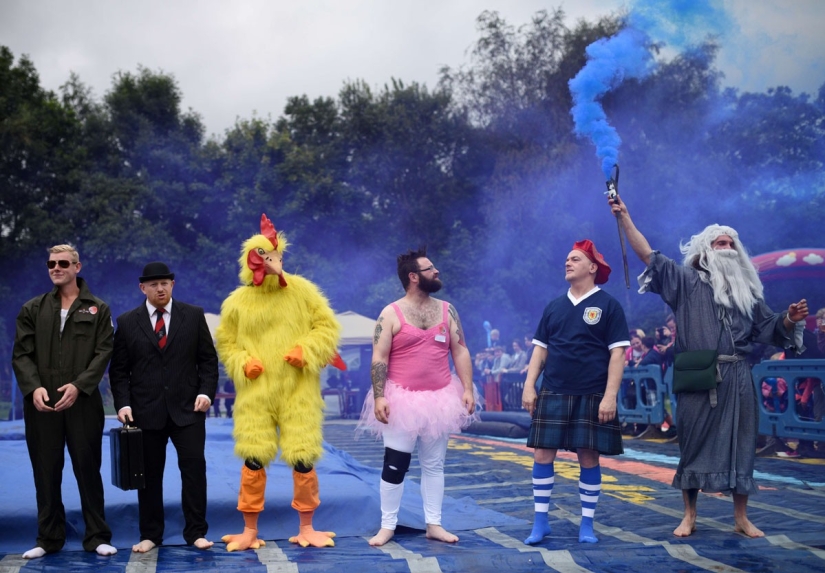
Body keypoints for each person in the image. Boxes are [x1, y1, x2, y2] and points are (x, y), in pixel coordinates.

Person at [609, 193, 808, 538]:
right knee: (693, 443)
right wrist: (625, 216)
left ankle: (741, 517)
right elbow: (648, 256)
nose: (727, 247)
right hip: (699, 376)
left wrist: (789, 319)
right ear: (705, 251)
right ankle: (689, 515)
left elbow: (768, 328)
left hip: (739, 376)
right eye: (720, 243)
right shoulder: (685, 282)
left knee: (742, 444)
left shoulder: (748, 291)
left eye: (731, 243)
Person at [215, 214, 343, 550]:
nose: (275, 262)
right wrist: (244, 362)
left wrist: (306, 349)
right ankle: (249, 530)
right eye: (267, 257)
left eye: (278, 256)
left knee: (303, 457)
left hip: (298, 390)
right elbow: (226, 343)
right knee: (253, 456)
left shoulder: (302, 292)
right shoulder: (236, 303)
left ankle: (307, 526)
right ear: (252, 261)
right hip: (256, 394)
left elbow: (327, 327)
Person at [357, 247, 476, 547]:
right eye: (430, 268)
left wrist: (468, 388)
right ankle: (387, 525)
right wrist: (380, 396)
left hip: (440, 399)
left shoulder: (447, 310)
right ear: (413, 277)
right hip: (401, 400)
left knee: (434, 465)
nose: (436, 272)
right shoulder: (390, 313)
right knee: (395, 463)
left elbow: (460, 350)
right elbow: (379, 357)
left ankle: (434, 523)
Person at [12, 244, 117, 559]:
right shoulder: (32, 308)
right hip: (42, 404)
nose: (56, 268)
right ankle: (48, 539)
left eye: (62, 263)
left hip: (82, 402)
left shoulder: (98, 309)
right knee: (45, 471)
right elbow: (22, 354)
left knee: (88, 468)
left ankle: (97, 536)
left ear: (77, 267)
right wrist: (33, 388)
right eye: (51, 264)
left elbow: (103, 353)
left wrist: (80, 386)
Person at [521, 239, 630, 545]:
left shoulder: (608, 305)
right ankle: (540, 523)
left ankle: (587, 525)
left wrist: (610, 396)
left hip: (592, 392)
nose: (567, 263)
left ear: (593, 267)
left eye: (575, 259)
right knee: (542, 454)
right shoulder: (554, 306)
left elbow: (618, 354)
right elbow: (540, 350)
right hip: (553, 390)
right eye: (567, 259)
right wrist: (529, 386)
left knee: (589, 456)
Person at [109, 262, 219, 553]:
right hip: (145, 411)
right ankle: (150, 534)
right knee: (148, 476)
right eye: (154, 284)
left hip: (188, 410)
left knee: (194, 471)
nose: (160, 289)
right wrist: (123, 404)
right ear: (142, 288)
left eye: (165, 283)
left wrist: (206, 392)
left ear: (173, 285)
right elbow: (119, 371)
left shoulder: (193, 315)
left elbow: (208, 361)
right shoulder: (127, 322)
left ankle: (196, 532)